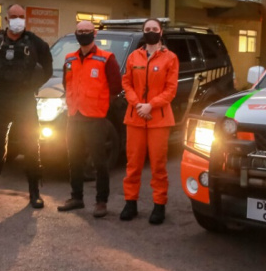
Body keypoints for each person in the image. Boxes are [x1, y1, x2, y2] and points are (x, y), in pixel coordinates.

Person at [0, 4, 53, 209]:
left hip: (24, 99)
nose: (18, 20)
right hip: (1, 97)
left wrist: (32, 85)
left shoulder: (36, 43)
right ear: (6, 20)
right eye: (14, 16)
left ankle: (34, 192)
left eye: (21, 16)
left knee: (31, 145)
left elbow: (47, 68)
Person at [57, 20, 122, 218]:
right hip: (74, 117)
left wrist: (99, 103)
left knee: (99, 162)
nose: (83, 34)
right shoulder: (69, 59)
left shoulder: (106, 58)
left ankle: (101, 202)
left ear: (94, 34)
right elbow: (66, 84)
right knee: (74, 160)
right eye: (80, 31)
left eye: (87, 31)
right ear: (76, 34)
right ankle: (76, 197)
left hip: (95, 118)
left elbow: (116, 87)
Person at [120, 18, 179, 225]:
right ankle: (130, 202)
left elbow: (171, 90)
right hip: (135, 117)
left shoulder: (170, 58)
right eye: (148, 29)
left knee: (158, 166)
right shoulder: (134, 56)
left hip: (158, 119)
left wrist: (150, 106)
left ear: (161, 32)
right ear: (143, 32)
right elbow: (126, 82)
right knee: (133, 164)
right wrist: (137, 104)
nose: (151, 32)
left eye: (154, 29)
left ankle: (159, 205)